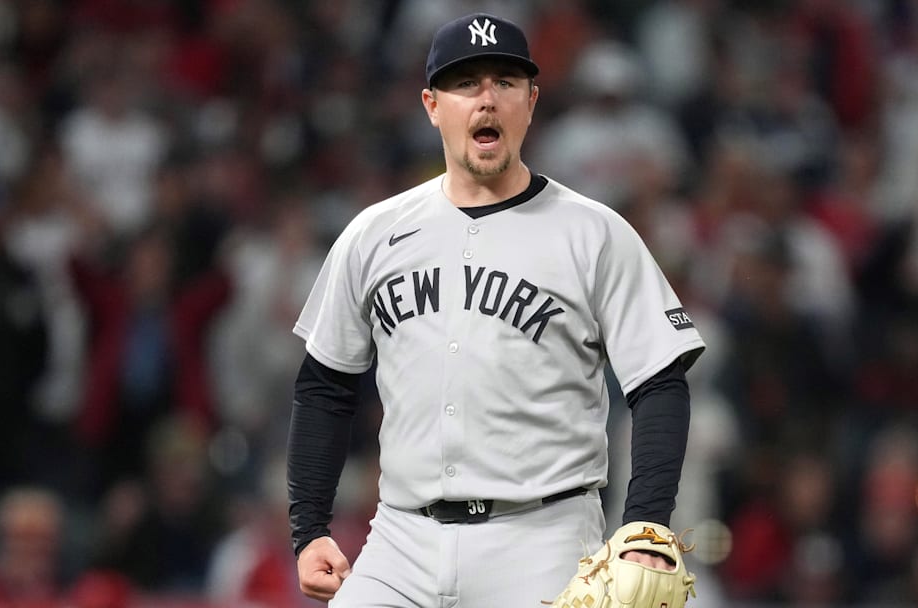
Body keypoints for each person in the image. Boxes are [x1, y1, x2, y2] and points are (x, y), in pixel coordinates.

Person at [287, 12, 706, 607]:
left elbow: (660, 382)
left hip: (542, 540)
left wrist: (645, 525)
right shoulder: (373, 233)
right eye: (466, 84)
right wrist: (309, 529)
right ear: (432, 105)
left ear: (531, 102)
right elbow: (325, 384)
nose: (487, 100)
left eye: (505, 83)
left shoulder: (593, 233)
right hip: (401, 539)